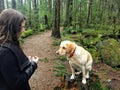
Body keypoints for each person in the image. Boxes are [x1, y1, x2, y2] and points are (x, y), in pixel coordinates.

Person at [0, 9, 39, 90]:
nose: (24, 30)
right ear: (13, 27)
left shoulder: (8, 44)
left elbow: (11, 69)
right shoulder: (4, 51)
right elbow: (17, 83)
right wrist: (33, 64)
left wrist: (26, 62)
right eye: (22, 26)